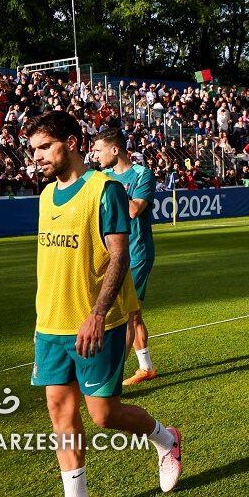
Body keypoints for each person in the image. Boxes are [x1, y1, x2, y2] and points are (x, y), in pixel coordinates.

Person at [24, 112, 181, 497]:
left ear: (71, 143)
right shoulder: (43, 197)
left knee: (103, 416)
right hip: (51, 324)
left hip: (97, 322)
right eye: (34, 149)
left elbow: (119, 255)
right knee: (60, 410)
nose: (36, 156)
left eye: (44, 147)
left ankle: (166, 439)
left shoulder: (104, 189)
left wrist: (96, 313)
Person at [92, 126, 159, 385]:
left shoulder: (143, 174)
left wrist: (112, 186)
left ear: (115, 149)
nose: (95, 155)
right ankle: (146, 368)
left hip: (136, 252)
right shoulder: (102, 177)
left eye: (98, 150)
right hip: (110, 253)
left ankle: (113, 376)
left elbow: (133, 210)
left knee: (129, 312)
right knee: (134, 314)